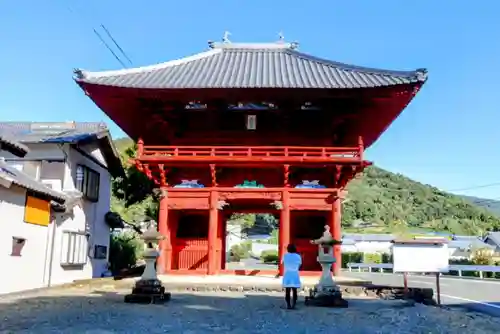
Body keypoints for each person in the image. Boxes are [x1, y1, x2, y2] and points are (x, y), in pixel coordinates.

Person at [281, 243, 302, 309]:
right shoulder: (298, 256)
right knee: (294, 290)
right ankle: (294, 304)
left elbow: (282, 263)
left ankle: (288, 304)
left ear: (288, 249)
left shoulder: (285, 256)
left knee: (287, 290)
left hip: (287, 274)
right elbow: (299, 265)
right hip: (295, 274)